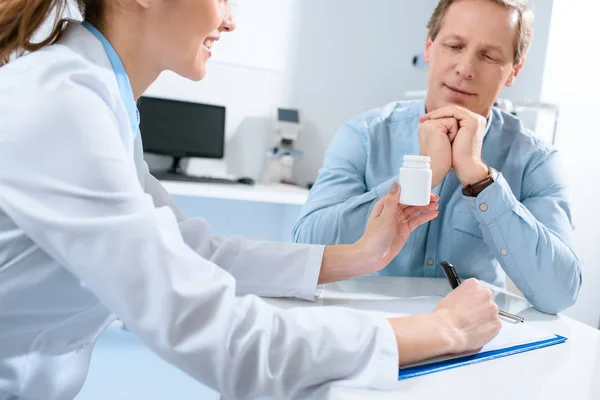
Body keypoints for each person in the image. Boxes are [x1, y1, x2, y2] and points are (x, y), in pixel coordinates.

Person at [0, 1, 502, 399]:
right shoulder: (61, 105)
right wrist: (440, 332)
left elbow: (196, 254)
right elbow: (209, 328)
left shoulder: (94, 99)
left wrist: (360, 255)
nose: (232, 20)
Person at [293, 0, 582, 315]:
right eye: (455, 46)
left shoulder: (534, 159)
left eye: (488, 55)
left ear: (514, 70)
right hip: (365, 325)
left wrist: (481, 180)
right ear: (429, 47)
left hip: (472, 340)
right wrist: (419, 179)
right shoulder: (365, 134)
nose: (465, 69)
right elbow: (306, 247)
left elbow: (559, 293)